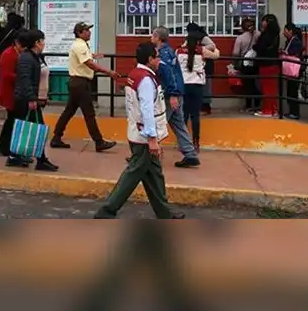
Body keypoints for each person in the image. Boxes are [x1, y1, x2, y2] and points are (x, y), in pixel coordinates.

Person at [94, 42, 185, 219]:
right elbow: (147, 110)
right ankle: (107, 211)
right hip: (144, 137)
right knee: (133, 174)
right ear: (150, 59)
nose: (160, 59)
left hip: (138, 132)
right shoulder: (145, 80)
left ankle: (164, 212)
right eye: (157, 56)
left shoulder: (136, 75)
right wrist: (152, 138)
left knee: (154, 175)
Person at [50, 22, 119, 152]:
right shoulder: (80, 45)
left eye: (89, 29)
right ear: (79, 33)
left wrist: (93, 56)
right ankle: (99, 142)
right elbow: (89, 64)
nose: (89, 32)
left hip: (77, 83)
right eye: (86, 30)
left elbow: (85, 59)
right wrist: (108, 72)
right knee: (89, 114)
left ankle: (56, 137)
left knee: (69, 111)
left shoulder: (81, 45)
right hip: (80, 83)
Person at [4, 29, 58, 171]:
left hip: (28, 98)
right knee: (35, 127)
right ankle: (40, 160)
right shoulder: (27, 58)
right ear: (36, 43)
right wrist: (32, 98)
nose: (44, 43)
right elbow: (25, 79)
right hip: (25, 99)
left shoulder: (35, 56)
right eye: (42, 41)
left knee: (27, 128)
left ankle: (15, 156)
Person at [152, 26, 200, 168]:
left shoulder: (163, 54)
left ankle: (144, 155)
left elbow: (170, 74)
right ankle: (190, 154)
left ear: (158, 38)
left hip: (170, 95)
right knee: (179, 125)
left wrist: (172, 94)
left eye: (153, 35)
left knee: (156, 123)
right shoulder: (169, 51)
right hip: (177, 93)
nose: (151, 37)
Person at [177, 30, 220, 154]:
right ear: (198, 42)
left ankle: (183, 143)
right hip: (197, 86)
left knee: (183, 115)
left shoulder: (178, 51)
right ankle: (196, 143)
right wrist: (211, 47)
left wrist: (184, 45)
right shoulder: (202, 51)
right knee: (195, 115)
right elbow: (217, 54)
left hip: (184, 86)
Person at [0, 32, 28, 160]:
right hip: (10, 92)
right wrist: (23, 77)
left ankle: (4, 146)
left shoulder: (17, 53)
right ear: (17, 43)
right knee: (11, 121)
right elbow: (7, 75)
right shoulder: (9, 55)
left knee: (11, 121)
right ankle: (4, 147)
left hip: (15, 91)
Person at [253, 14, 281, 118]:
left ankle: (267, 110)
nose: (262, 23)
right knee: (272, 88)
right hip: (274, 64)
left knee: (266, 88)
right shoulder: (276, 34)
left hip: (266, 64)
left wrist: (255, 46)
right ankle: (274, 110)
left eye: (263, 20)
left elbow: (260, 47)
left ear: (268, 22)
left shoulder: (266, 35)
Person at [232, 18, 259, 113]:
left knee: (247, 85)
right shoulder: (258, 35)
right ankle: (257, 105)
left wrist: (234, 64)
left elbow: (235, 53)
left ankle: (248, 106)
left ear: (242, 27)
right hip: (256, 63)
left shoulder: (240, 38)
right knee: (255, 84)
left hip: (245, 64)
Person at [281, 23, 303, 120]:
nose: (283, 33)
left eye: (285, 31)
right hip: (291, 69)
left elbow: (294, 51)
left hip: (294, 69)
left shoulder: (295, 41)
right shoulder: (290, 40)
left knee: (293, 91)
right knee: (290, 91)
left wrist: (285, 52)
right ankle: (292, 111)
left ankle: (294, 113)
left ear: (290, 31)